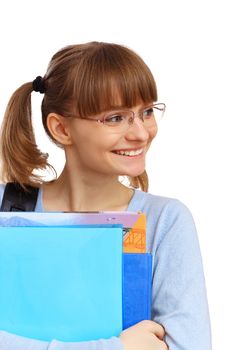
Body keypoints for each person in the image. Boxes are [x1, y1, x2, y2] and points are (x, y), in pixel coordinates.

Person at [0, 41, 211, 350]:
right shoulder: (6, 208)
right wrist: (118, 346)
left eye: (146, 112)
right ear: (61, 129)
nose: (141, 133)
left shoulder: (165, 221)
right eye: (115, 118)